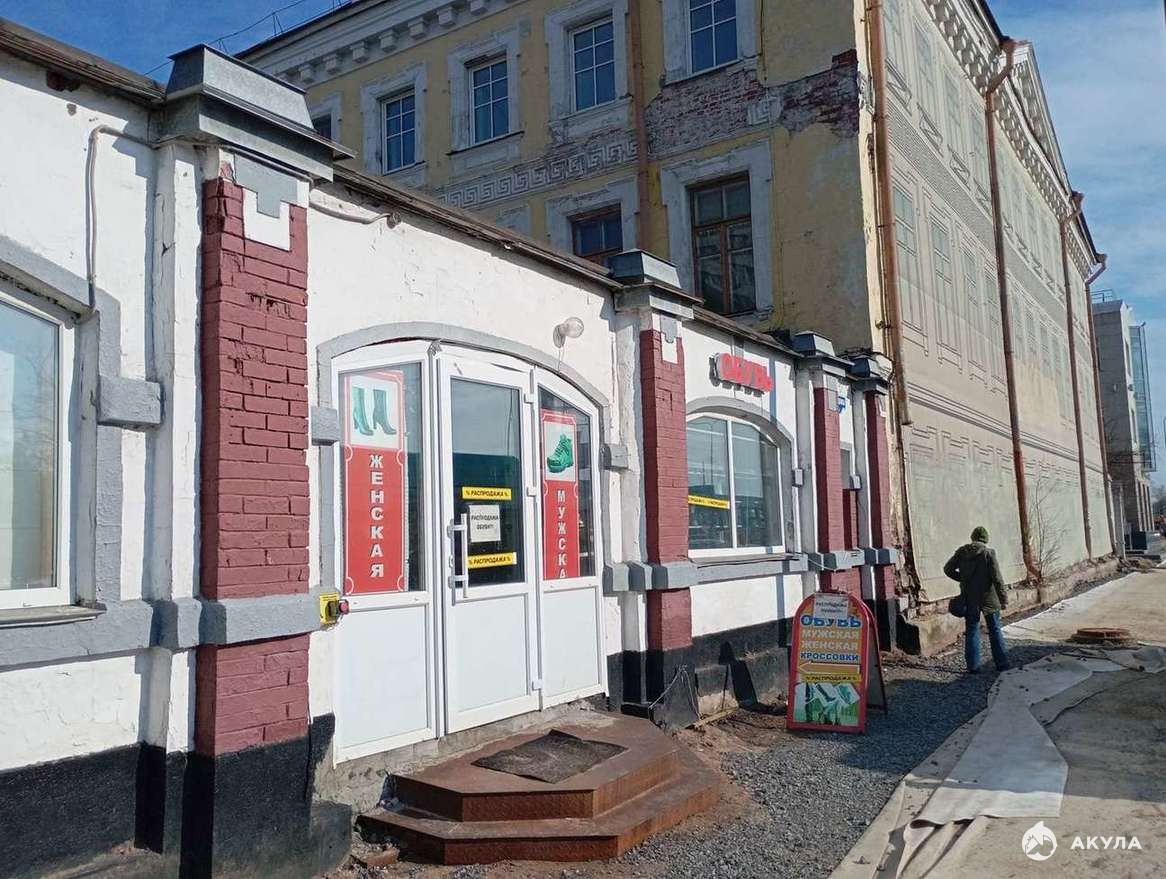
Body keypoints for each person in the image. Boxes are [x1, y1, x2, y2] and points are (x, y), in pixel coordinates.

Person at [944, 526, 1010, 673]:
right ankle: (1002, 664)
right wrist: (1003, 599)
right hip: (989, 598)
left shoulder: (962, 552)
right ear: (985, 539)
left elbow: (947, 569)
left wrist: (962, 578)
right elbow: (997, 578)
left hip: (969, 597)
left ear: (972, 538)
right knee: (994, 629)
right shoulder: (988, 553)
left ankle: (973, 667)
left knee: (972, 630)